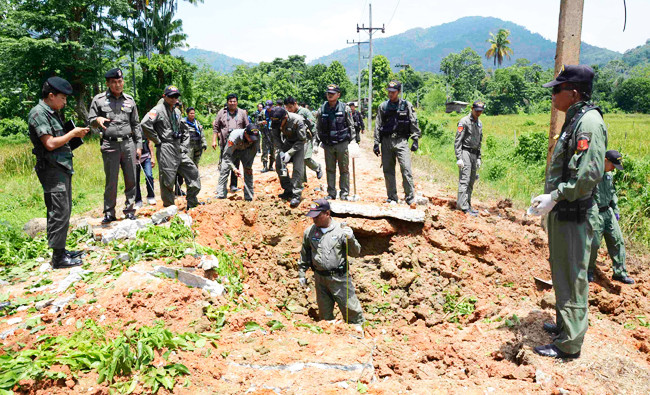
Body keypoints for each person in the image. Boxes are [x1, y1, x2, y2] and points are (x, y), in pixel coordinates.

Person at [529, 64, 607, 359]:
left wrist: (555, 196)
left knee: (573, 275)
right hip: (564, 212)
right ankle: (565, 325)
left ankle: (570, 344)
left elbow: (587, 175)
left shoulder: (588, 123)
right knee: (561, 269)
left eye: (557, 90)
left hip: (575, 214)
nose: (553, 96)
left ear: (573, 93)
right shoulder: (575, 120)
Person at [29, 77, 89, 268]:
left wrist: (73, 137)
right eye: (62, 98)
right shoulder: (39, 113)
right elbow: (50, 143)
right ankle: (58, 258)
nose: (65, 102)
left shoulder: (52, 112)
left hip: (61, 167)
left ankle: (61, 250)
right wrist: (72, 134)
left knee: (63, 210)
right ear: (51, 96)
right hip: (51, 169)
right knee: (58, 211)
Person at [88, 68, 143, 224]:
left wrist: (139, 145)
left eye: (120, 81)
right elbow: (90, 119)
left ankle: (130, 210)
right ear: (108, 83)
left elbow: (136, 124)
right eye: (114, 82)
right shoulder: (99, 100)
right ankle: (109, 212)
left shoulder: (130, 100)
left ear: (123, 81)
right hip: (109, 144)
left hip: (128, 144)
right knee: (111, 180)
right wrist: (97, 119)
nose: (118, 85)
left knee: (131, 178)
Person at [299, 199, 364, 326]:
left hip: (339, 278)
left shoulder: (340, 231)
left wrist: (351, 239)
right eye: (312, 216)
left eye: (317, 216)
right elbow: (305, 253)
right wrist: (302, 272)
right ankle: (329, 338)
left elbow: (355, 252)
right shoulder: (310, 232)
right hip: (320, 279)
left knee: (351, 309)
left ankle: (358, 332)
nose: (314, 220)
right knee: (324, 313)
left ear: (327, 213)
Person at [140, 85, 202, 209]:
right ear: (164, 96)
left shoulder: (177, 111)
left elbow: (185, 130)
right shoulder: (157, 110)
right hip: (166, 146)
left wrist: (184, 145)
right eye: (171, 96)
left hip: (178, 146)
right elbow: (145, 123)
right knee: (168, 179)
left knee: (193, 173)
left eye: (176, 96)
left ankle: (192, 203)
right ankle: (169, 208)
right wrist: (157, 140)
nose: (174, 99)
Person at [588, 150, 634, 284]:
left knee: (617, 241)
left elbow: (612, 193)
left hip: (608, 212)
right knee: (594, 243)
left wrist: (615, 209)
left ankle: (620, 273)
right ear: (605, 160)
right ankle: (589, 271)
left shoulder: (609, 176)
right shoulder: (593, 174)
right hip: (596, 213)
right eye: (613, 165)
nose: (614, 168)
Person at [373, 81, 421, 205]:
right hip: (386, 141)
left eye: (393, 92)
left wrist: (415, 139)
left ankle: (410, 197)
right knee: (388, 170)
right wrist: (376, 143)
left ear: (398, 92)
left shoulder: (406, 105)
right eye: (389, 91)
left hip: (401, 141)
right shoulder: (383, 107)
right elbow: (378, 125)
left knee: (406, 169)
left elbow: (413, 122)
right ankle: (392, 197)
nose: (390, 94)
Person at [314, 84, 356, 200]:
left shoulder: (345, 108)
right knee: (330, 169)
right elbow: (318, 127)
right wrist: (316, 143)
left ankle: (344, 193)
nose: (330, 95)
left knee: (344, 169)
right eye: (328, 93)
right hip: (328, 144)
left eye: (332, 93)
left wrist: (353, 142)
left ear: (338, 95)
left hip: (342, 143)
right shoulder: (322, 109)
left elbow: (351, 125)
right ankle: (331, 193)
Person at [212, 93, 249, 191]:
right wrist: (214, 140)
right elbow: (216, 127)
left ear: (237, 102)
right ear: (227, 102)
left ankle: (233, 186)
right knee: (224, 164)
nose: (232, 103)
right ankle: (221, 187)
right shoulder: (221, 112)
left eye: (234, 101)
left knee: (236, 164)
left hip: (238, 145)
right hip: (225, 144)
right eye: (230, 101)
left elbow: (247, 128)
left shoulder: (242, 113)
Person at [271, 107, 306, 208]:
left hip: (299, 143)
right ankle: (288, 189)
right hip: (288, 142)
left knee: (297, 169)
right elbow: (276, 137)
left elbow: (302, 140)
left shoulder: (297, 121)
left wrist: (290, 153)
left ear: (285, 117)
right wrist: (280, 150)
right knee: (279, 164)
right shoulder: (276, 121)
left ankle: (296, 194)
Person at [454, 101, 484, 215]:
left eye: (480, 111)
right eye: (477, 111)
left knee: (471, 180)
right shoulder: (464, 122)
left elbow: (479, 141)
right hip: (465, 151)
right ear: (472, 109)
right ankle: (462, 206)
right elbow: (458, 140)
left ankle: (468, 204)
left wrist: (479, 157)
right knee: (464, 179)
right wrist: (459, 157)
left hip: (474, 153)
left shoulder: (479, 123)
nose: (478, 113)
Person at [216, 124, 260, 201]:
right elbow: (226, 156)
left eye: (253, 138)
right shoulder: (234, 137)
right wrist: (234, 168)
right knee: (224, 169)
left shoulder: (256, 136)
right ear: (246, 133)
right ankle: (221, 195)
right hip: (232, 151)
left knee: (248, 171)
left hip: (246, 151)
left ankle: (249, 196)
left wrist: (248, 166)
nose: (251, 140)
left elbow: (253, 152)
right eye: (250, 137)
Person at [285, 96, 322, 180]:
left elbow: (313, 125)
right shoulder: (289, 114)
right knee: (299, 161)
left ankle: (317, 167)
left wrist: (315, 141)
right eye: (287, 108)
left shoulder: (304, 112)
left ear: (295, 104)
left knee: (306, 158)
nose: (289, 109)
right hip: (296, 140)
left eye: (290, 107)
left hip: (307, 139)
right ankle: (302, 181)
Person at [175, 107, 207, 195]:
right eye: (191, 113)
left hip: (197, 147)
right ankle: (182, 187)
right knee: (187, 167)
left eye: (193, 113)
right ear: (187, 114)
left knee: (195, 167)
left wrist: (204, 143)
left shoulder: (197, 123)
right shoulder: (184, 123)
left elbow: (202, 134)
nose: (192, 115)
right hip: (188, 147)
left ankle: (195, 185)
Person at [135, 137, 156, 207]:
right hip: (134, 159)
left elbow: (150, 142)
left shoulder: (143, 128)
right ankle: (138, 200)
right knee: (135, 180)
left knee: (149, 175)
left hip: (146, 157)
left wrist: (152, 157)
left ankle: (151, 196)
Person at [261, 100, 275, 173]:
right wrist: (261, 123)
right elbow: (257, 122)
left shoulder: (275, 112)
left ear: (272, 106)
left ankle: (271, 166)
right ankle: (265, 166)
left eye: (269, 107)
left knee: (273, 149)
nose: (268, 109)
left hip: (273, 133)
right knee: (265, 149)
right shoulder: (263, 112)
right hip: (265, 133)